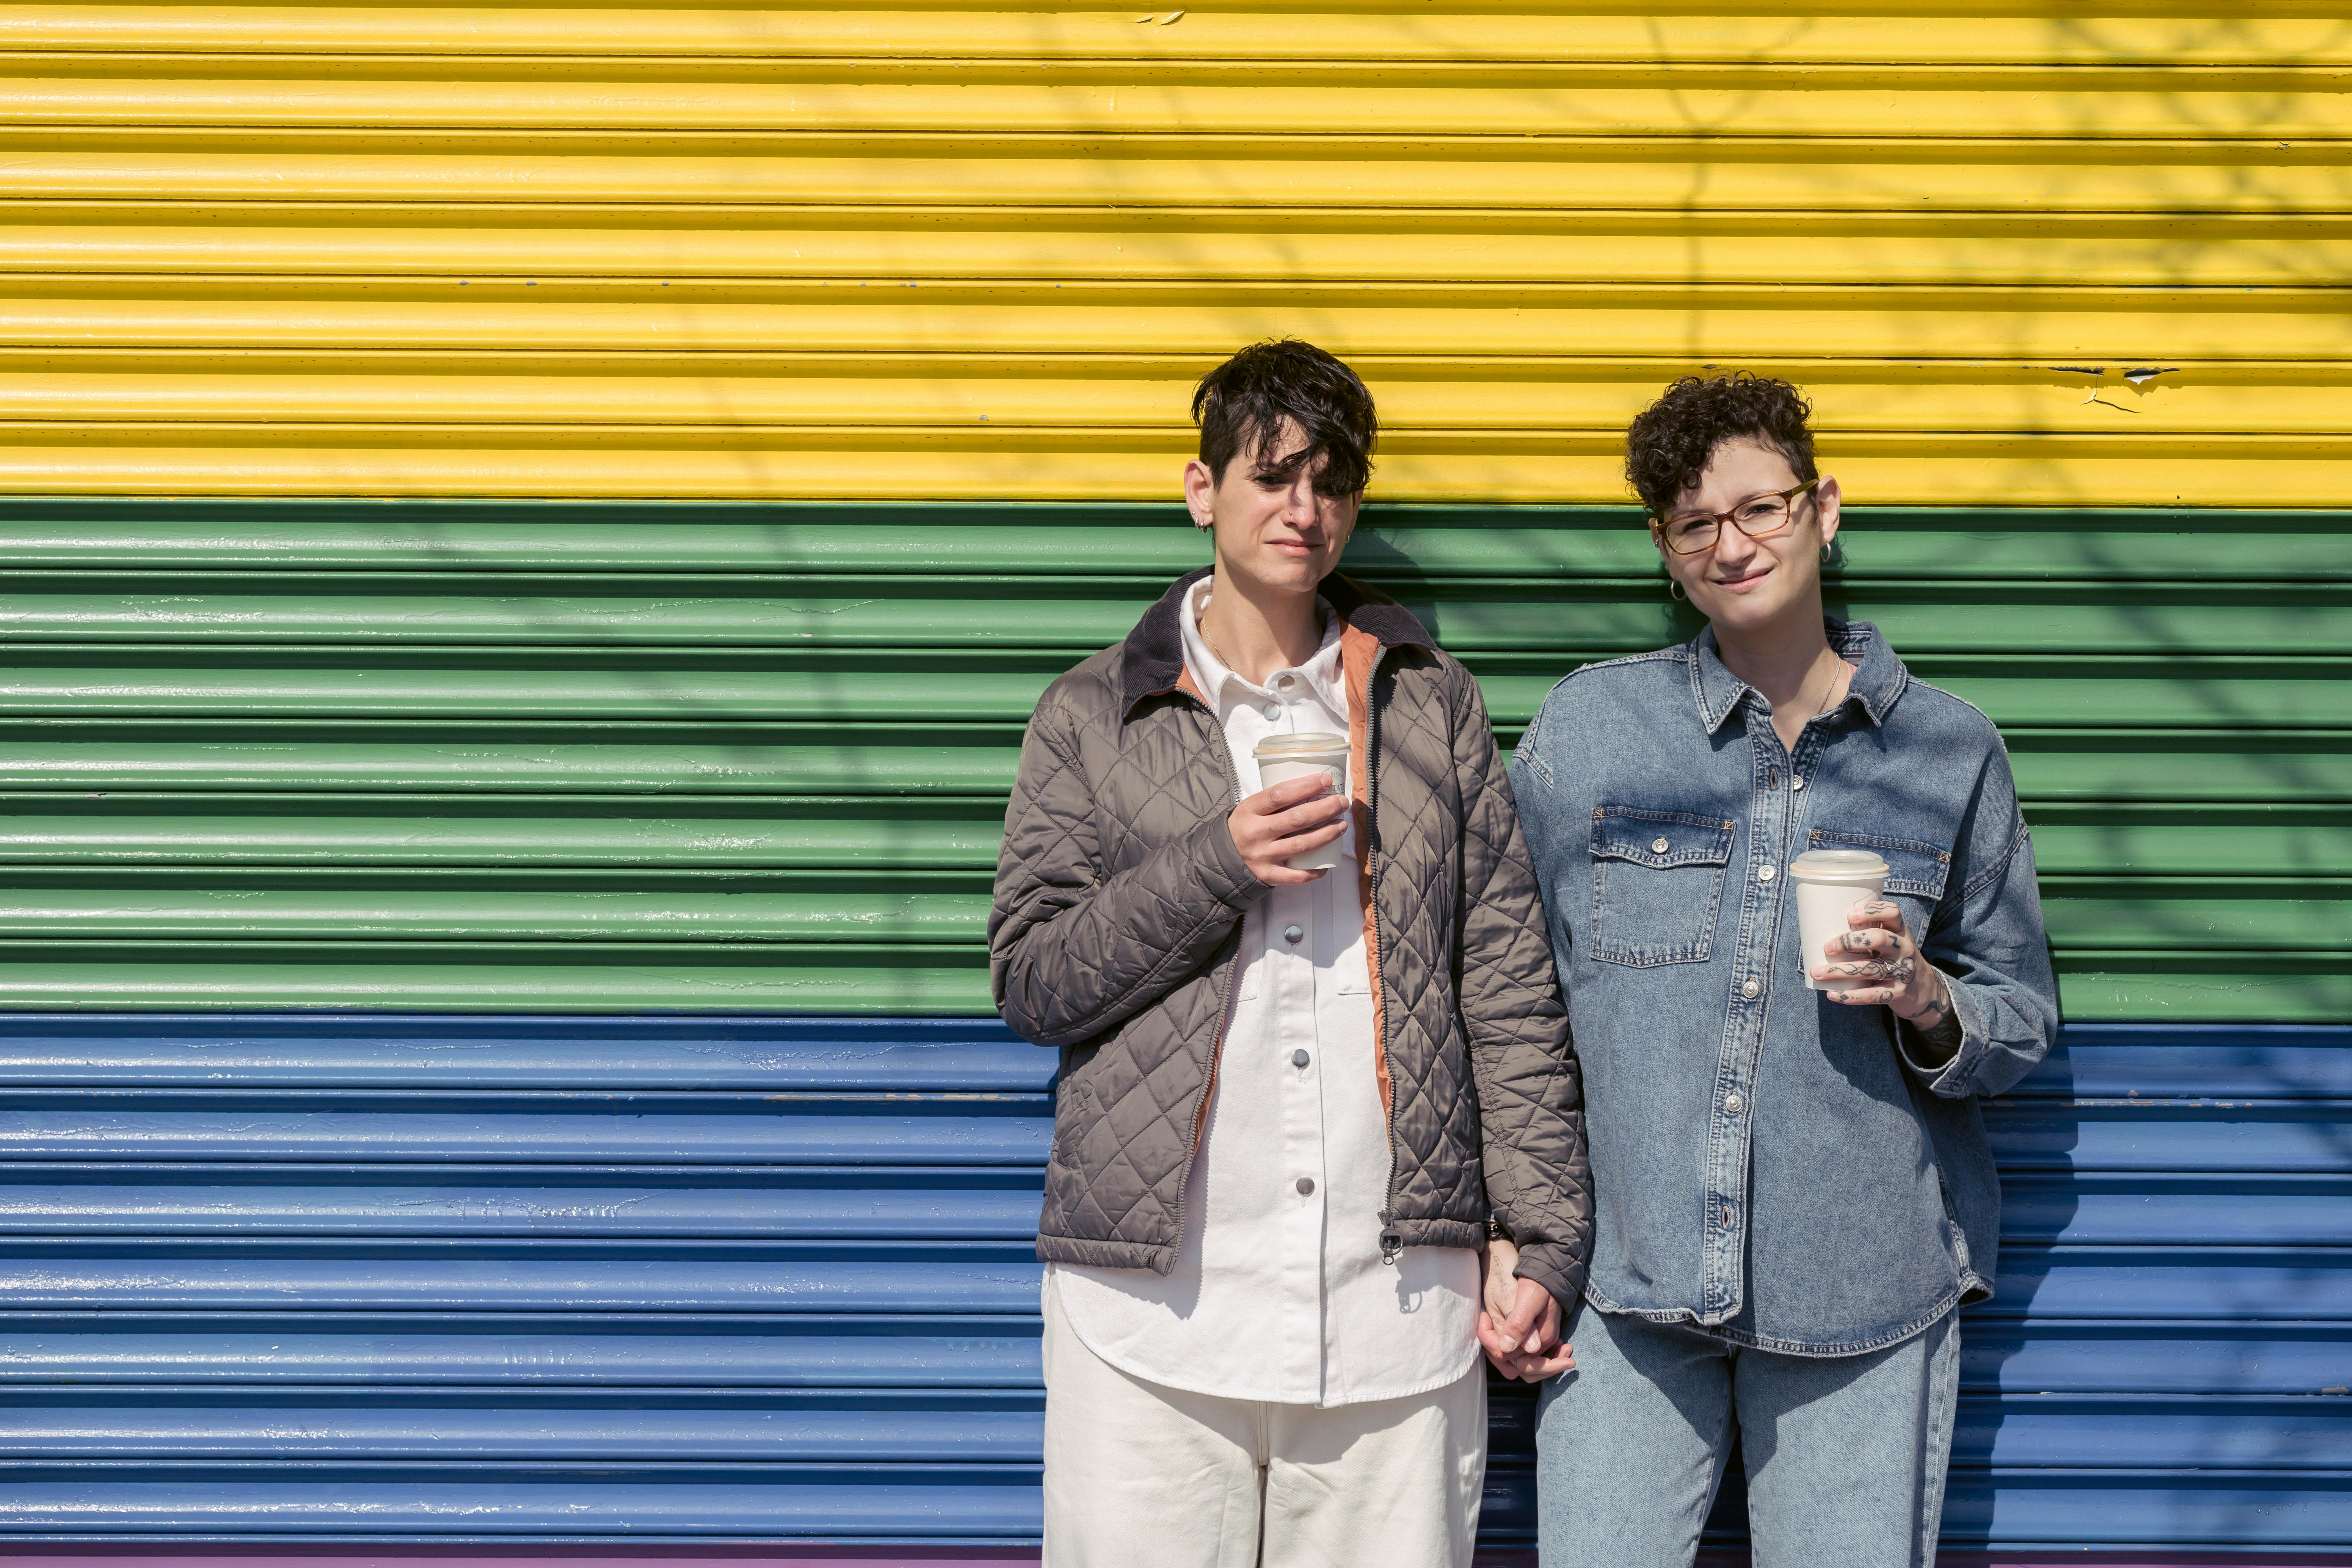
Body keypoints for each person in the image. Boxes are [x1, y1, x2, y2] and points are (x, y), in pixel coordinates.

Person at [991, 338, 1591, 1567]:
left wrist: (1544, 1242)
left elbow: (1509, 987)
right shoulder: (1091, 714)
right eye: (1271, 476)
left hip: (1397, 1314)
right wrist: (1218, 861)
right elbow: (1036, 980)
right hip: (1154, 1317)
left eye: (1330, 481)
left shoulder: (1434, 703)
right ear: (1203, 490)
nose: (1304, 509)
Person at [1500, 372, 2058, 1566]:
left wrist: (1925, 996)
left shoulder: (1949, 752)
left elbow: (2019, 1021)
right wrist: (1511, 1237)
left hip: (1864, 1286)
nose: (1733, 544)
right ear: (1665, 547)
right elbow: (1503, 997)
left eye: (1762, 509)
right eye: (1697, 523)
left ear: (1825, 508)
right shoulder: (1589, 734)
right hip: (1627, 1291)